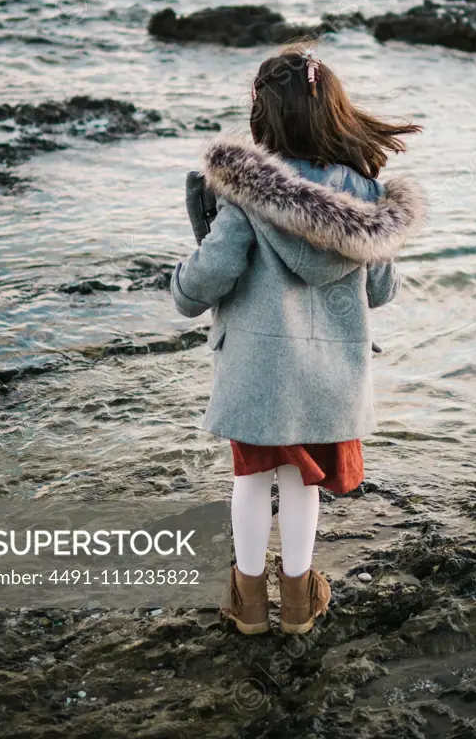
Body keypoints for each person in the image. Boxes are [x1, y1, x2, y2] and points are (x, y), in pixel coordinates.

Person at [171, 44, 426, 635]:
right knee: (303, 483)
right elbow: (381, 289)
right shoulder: (366, 199)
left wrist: (182, 288)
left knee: (252, 479)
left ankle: (250, 603)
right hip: (329, 377)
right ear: (332, 113)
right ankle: (300, 603)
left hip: (259, 371)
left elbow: (214, 271)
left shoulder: (246, 190)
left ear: (267, 117)